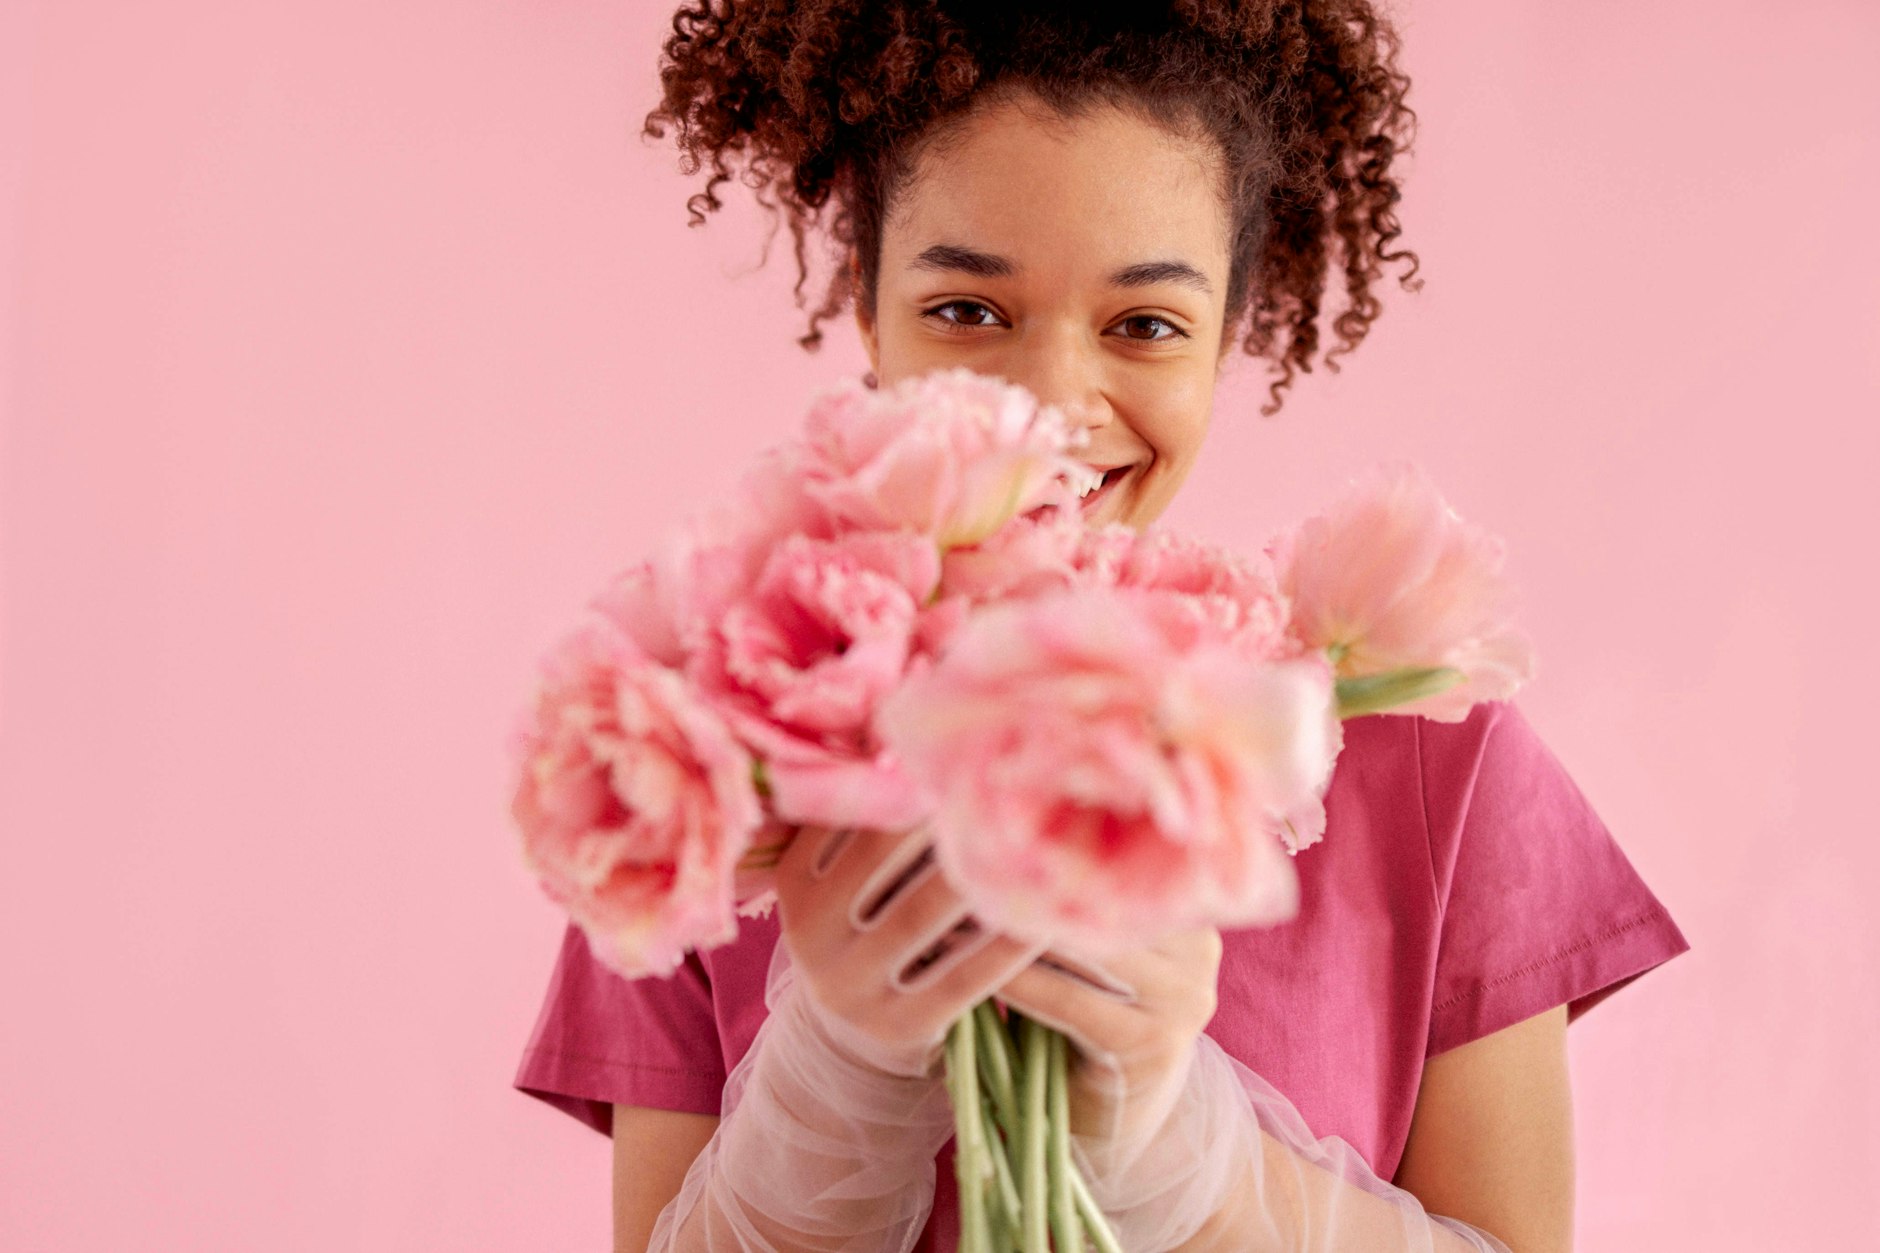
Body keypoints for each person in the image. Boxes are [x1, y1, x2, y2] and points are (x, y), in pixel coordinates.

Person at [513, 3, 1692, 1249]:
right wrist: (834, 1076)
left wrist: (1183, 1155)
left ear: (1225, 336)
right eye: (967, 309)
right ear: (865, 311)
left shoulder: (1437, 762)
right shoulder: (717, 752)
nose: (1047, 406)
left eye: (1143, 325)